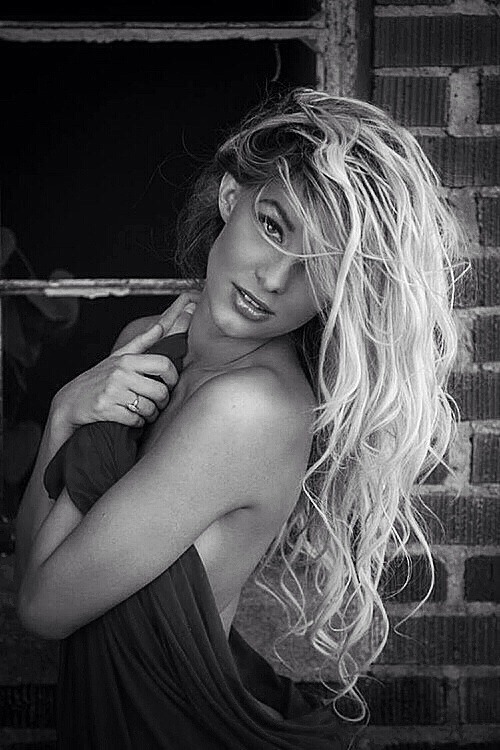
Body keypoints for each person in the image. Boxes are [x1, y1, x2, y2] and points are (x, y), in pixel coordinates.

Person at [14, 88, 463, 748]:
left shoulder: (248, 409)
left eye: (320, 266)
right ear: (231, 198)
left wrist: (77, 422)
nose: (275, 279)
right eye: (274, 227)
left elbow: (42, 610)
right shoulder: (149, 344)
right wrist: (63, 417)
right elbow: (34, 567)